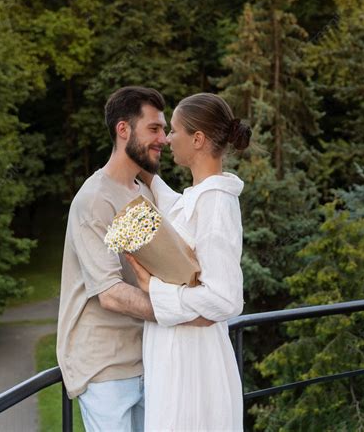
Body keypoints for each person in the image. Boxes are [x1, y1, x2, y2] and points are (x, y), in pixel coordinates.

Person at [56, 86, 212, 432]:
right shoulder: (93, 200)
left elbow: (159, 265)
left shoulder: (141, 191)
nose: (164, 139)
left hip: (147, 359)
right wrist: (186, 311)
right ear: (123, 130)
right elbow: (110, 292)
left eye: (163, 129)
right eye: (154, 129)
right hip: (104, 368)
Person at [126, 92, 251, 432]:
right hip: (179, 358)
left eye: (175, 131)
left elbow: (226, 298)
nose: (166, 139)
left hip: (194, 368)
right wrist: (148, 174)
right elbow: (177, 209)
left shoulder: (216, 205)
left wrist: (157, 291)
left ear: (197, 139)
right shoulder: (199, 197)